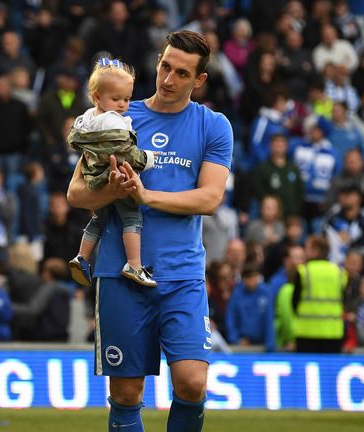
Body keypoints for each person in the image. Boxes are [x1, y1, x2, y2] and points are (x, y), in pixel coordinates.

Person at [67, 30, 232, 432]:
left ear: (199, 80)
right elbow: (75, 194)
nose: (168, 79)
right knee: (126, 394)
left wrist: (145, 196)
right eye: (164, 67)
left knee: (192, 383)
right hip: (120, 272)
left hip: (182, 275)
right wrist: (112, 190)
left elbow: (209, 199)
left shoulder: (214, 126)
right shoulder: (119, 116)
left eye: (181, 72)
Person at [67, 57, 157, 288]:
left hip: (94, 178)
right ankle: (134, 265)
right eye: (116, 99)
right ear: (97, 97)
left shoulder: (86, 118)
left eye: (127, 99)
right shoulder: (114, 122)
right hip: (116, 177)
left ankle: (82, 256)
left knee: (99, 218)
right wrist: (147, 159)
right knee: (132, 217)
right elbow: (125, 152)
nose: (123, 105)